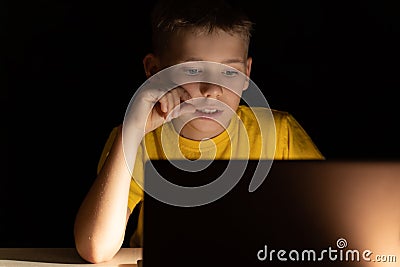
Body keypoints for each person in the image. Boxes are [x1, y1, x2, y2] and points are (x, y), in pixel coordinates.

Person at [73, 0, 325, 263]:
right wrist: (133, 130)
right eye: (192, 70)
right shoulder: (137, 139)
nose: (212, 89)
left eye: (229, 71)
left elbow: (332, 229)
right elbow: (96, 247)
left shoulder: (279, 133)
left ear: (246, 73)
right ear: (154, 70)